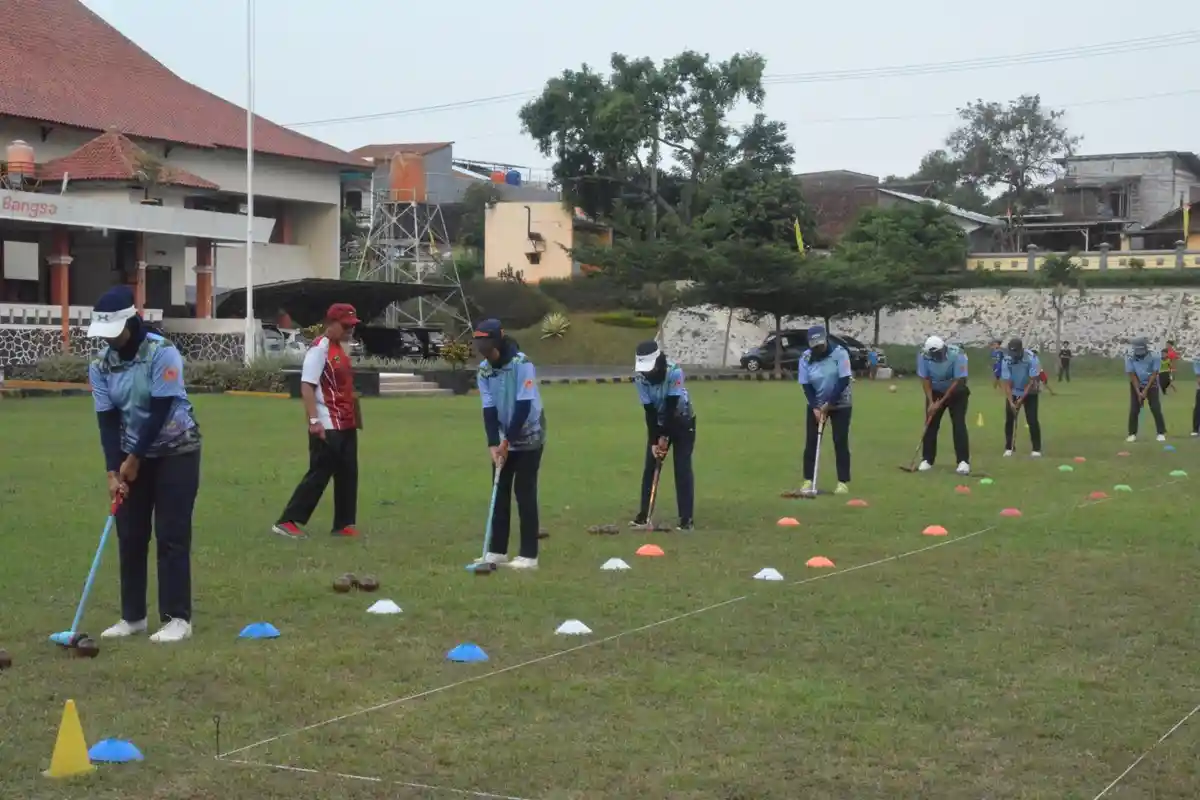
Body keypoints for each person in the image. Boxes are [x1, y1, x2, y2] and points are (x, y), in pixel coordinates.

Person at [87, 286, 201, 644]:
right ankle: (133, 616)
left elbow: (160, 409)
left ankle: (177, 618)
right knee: (131, 534)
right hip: (129, 452)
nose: (109, 341)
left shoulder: (162, 352)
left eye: (113, 332)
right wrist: (112, 469)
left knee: (171, 534)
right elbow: (107, 420)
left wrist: (134, 459)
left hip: (176, 451)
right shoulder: (100, 365)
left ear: (130, 321)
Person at [273, 303, 363, 539]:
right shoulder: (319, 349)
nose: (349, 331)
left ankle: (343, 523)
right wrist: (314, 420)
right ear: (331, 323)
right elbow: (307, 387)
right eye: (345, 326)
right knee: (319, 473)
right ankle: (288, 521)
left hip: (346, 421)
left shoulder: (339, 349)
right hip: (327, 422)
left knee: (348, 472)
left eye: (352, 327)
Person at [472, 319, 546, 569]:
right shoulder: (483, 370)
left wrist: (508, 441)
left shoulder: (522, 364)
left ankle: (529, 555)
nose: (488, 355)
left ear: (498, 342)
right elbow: (488, 408)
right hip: (504, 435)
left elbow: (524, 406)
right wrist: (493, 444)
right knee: (500, 490)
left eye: (490, 349)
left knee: (524, 492)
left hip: (530, 433)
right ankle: (496, 550)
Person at [631, 341, 696, 529]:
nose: (646, 373)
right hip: (658, 422)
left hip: (683, 421)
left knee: (682, 467)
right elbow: (649, 411)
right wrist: (654, 441)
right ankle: (644, 516)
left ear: (658, 362)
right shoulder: (640, 379)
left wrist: (664, 438)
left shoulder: (674, 372)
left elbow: (671, 406)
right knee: (650, 467)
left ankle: (686, 519)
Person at [796, 325, 853, 494]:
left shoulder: (840, 353)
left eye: (820, 344)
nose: (818, 348)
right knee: (812, 442)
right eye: (815, 346)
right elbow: (806, 385)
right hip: (816, 403)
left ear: (826, 339)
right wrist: (815, 407)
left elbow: (844, 380)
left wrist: (828, 404)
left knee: (840, 441)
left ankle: (842, 482)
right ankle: (808, 480)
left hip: (841, 403)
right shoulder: (805, 358)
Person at [916, 335, 971, 475]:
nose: (936, 356)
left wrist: (941, 401)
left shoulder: (958, 354)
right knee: (930, 423)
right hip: (935, 390)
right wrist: (931, 401)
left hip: (956, 391)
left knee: (958, 424)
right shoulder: (923, 356)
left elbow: (958, 380)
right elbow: (926, 379)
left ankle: (963, 462)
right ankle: (927, 460)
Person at [1001, 338, 1043, 457]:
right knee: (1010, 419)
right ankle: (1009, 447)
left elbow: (1031, 381)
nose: (1013, 356)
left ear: (1021, 350)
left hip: (1030, 392)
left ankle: (1036, 449)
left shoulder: (1031, 358)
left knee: (1032, 419)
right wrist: (1011, 401)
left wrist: (1020, 399)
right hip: (1014, 390)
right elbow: (1007, 383)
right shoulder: (1006, 359)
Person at [1125, 336, 1166, 442]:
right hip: (1136, 383)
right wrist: (1138, 392)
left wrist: (1145, 390)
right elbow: (1132, 375)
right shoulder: (1129, 356)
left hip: (1151, 384)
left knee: (1155, 408)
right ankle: (1132, 434)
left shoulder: (1155, 356)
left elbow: (1154, 374)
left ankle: (1161, 433)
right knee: (1134, 410)